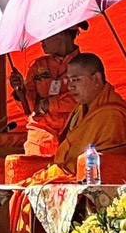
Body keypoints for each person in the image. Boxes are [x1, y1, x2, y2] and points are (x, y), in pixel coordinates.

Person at [7, 53, 126, 233]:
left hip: (95, 184)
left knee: (35, 197)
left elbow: (112, 160)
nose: (70, 87)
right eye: (68, 81)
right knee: (24, 193)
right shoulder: (82, 109)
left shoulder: (113, 114)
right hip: (71, 175)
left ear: (97, 78)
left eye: (76, 80)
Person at [11, 23, 85, 157]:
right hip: (40, 137)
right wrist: (19, 92)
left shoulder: (85, 65)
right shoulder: (38, 65)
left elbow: (83, 99)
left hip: (74, 133)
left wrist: (50, 104)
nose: (41, 41)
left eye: (45, 35)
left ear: (61, 33)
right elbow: (30, 109)